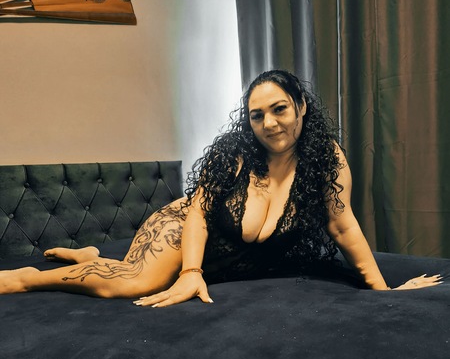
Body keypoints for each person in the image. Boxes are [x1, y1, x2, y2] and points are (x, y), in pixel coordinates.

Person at [0, 70, 441, 305]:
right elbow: (198, 212)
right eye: (257, 115)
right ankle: (26, 280)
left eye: (280, 109)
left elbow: (342, 225)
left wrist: (384, 293)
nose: (269, 123)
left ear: (302, 106)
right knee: (133, 283)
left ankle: (94, 256)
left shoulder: (326, 158)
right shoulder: (234, 153)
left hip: (229, 256)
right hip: (186, 225)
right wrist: (191, 273)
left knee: (132, 270)